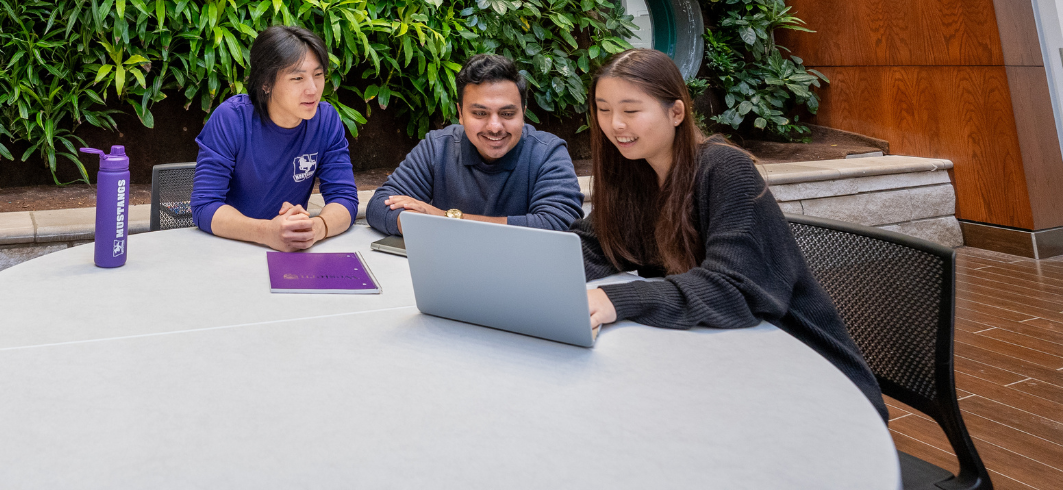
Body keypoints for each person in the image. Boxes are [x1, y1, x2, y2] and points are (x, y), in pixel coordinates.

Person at [575, 49, 887, 420]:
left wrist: (616, 300)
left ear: (676, 113)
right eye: (603, 109)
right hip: (721, 362)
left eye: (630, 110)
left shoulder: (724, 168)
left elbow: (732, 287)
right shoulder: (634, 174)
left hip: (809, 376)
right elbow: (594, 247)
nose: (615, 124)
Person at [366, 54, 584, 235]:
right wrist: (419, 221)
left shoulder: (548, 153)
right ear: (460, 113)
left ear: (523, 113)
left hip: (522, 269)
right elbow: (380, 206)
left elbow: (559, 225)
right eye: (480, 113)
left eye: (507, 114)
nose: (495, 127)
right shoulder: (438, 147)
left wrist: (443, 218)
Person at [190, 26, 359, 251]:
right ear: (266, 83)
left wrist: (317, 228)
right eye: (297, 77)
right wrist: (266, 232)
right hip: (229, 247)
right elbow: (204, 206)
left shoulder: (325, 120)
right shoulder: (232, 119)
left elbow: (344, 198)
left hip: (290, 254)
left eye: (318, 75)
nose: (313, 89)